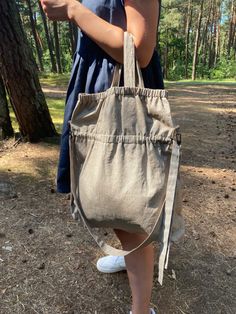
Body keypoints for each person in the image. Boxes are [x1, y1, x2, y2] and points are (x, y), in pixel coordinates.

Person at [41, 1, 163, 313]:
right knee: (107, 189)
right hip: (95, 81)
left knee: (129, 202)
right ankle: (128, 256)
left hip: (123, 90)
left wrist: (73, 10)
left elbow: (140, 50)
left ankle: (141, 308)